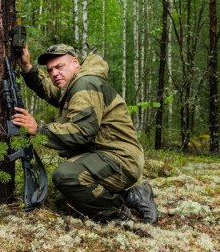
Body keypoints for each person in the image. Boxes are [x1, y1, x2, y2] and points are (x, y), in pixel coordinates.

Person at [11, 44, 158, 224]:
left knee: (67, 176)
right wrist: (27, 67)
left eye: (59, 67)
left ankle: (118, 211)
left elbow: (82, 132)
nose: (54, 73)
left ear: (75, 63)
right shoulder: (75, 84)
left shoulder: (85, 84)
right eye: (50, 70)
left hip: (120, 158)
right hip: (107, 154)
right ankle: (134, 195)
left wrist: (38, 129)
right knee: (66, 202)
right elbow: (50, 91)